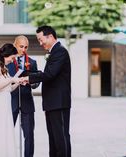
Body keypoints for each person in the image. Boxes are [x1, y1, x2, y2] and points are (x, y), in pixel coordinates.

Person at [23, 26, 71, 157]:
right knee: (54, 137)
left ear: (50, 36)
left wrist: (29, 78)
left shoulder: (60, 51)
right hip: (53, 102)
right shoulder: (54, 52)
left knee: (60, 137)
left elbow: (50, 74)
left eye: (41, 39)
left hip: (58, 102)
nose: (40, 43)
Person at [0, 43, 22, 157]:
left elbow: (8, 89)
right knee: (0, 129)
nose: (13, 60)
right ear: (7, 55)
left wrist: (18, 82)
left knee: (6, 129)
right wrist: (11, 79)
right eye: (12, 57)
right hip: (0, 103)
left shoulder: (4, 68)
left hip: (6, 101)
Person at [7, 35, 39, 157]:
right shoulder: (7, 62)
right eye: (21, 46)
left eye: (26, 47)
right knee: (8, 133)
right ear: (15, 45)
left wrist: (33, 81)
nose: (24, 49)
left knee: (29, 135)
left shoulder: (32, 62)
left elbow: (36, 84)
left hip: (27, 101)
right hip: (11, 101)